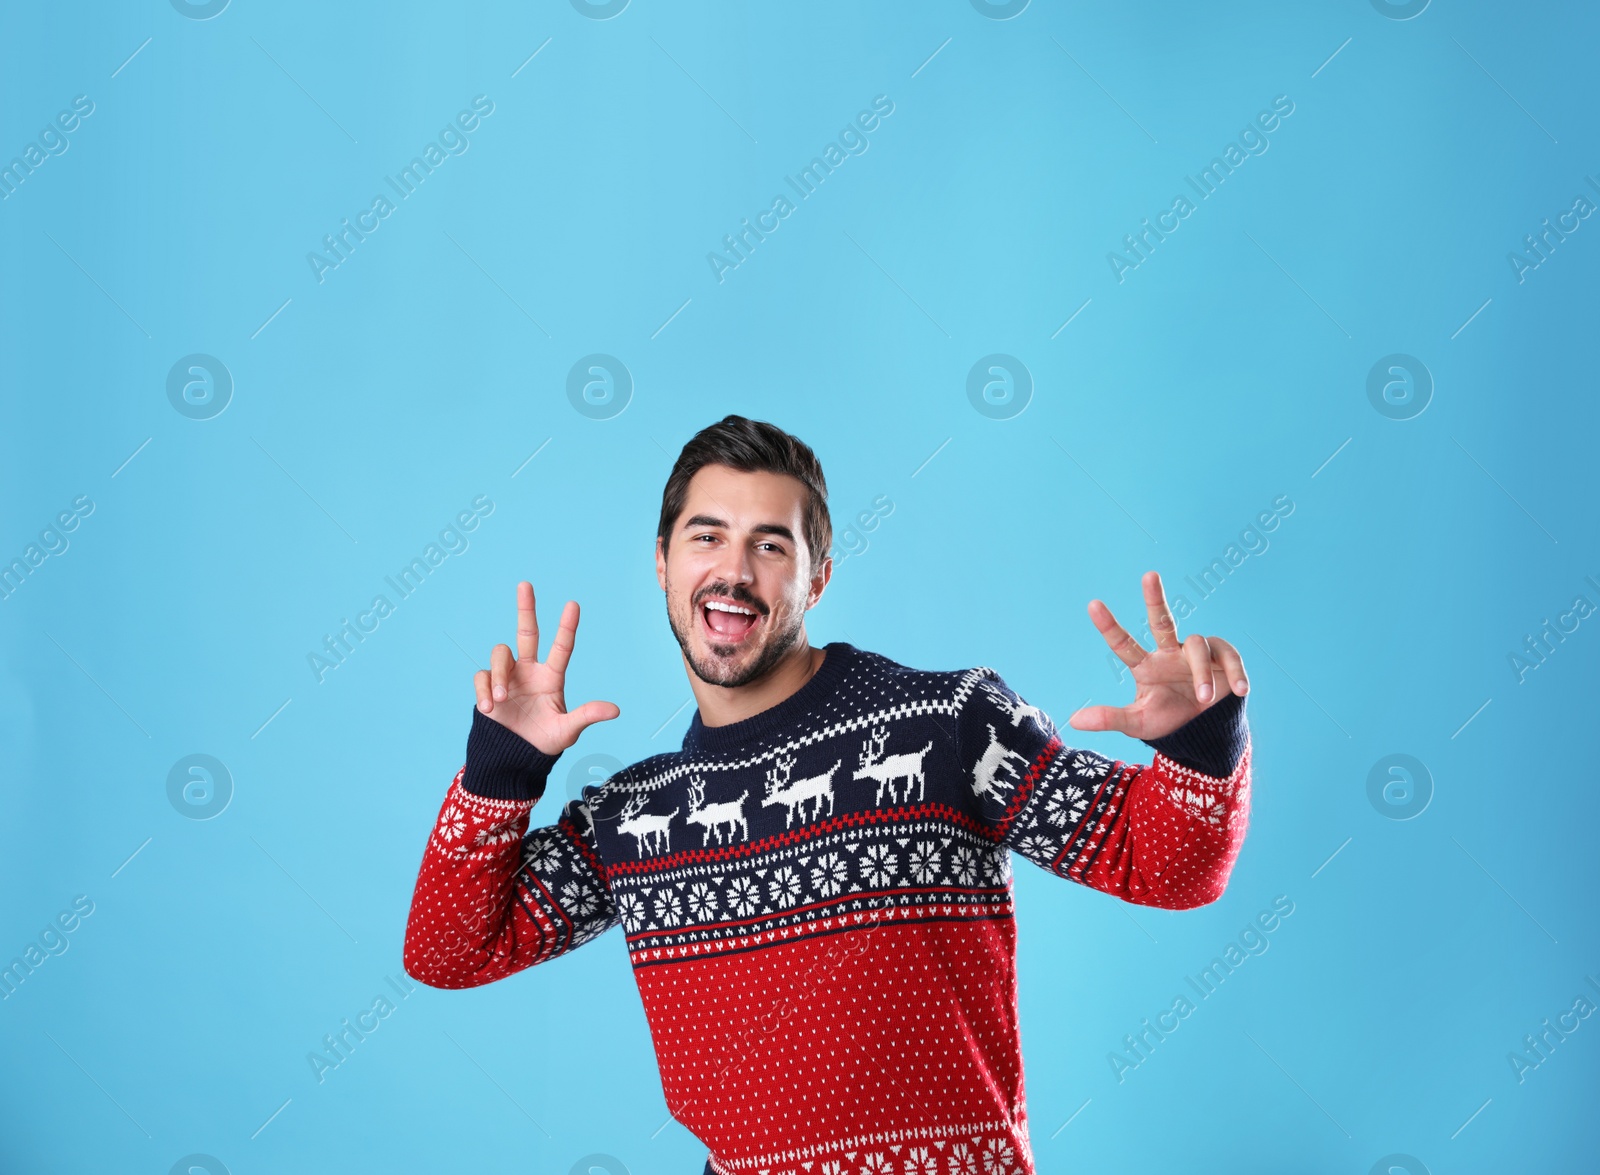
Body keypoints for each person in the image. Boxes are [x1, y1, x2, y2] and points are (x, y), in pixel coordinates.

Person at [403, 415, 1252, 1174]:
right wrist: (501, 770)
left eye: (771, 545)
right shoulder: (635, 818)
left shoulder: (947, 724)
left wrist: (1197, 739)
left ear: (817, 579)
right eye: (707, 537)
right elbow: (448, 952)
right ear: (663, 564)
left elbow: (1167, 867)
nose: (733, 572)